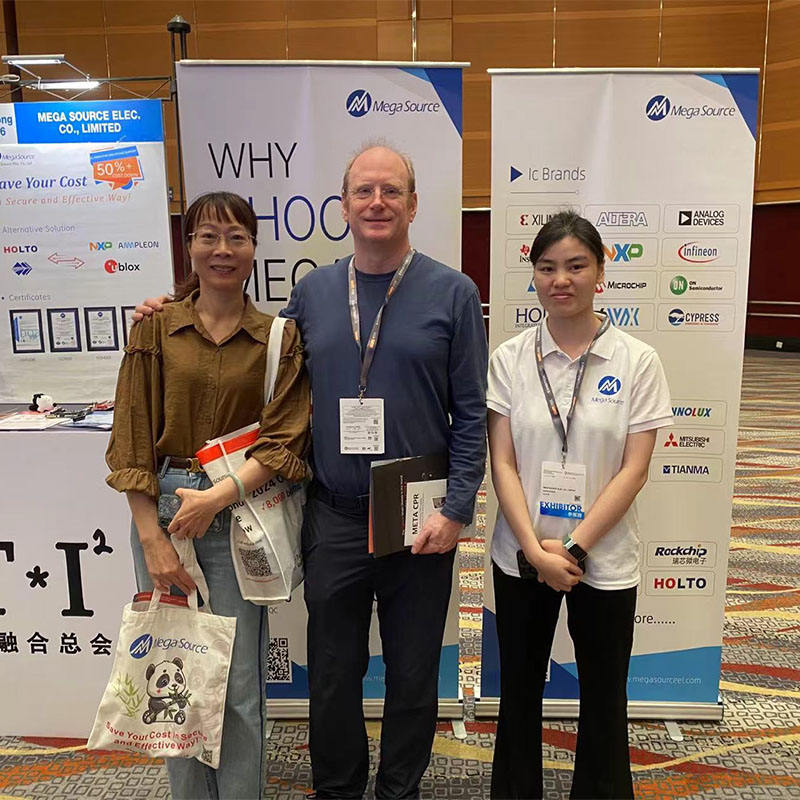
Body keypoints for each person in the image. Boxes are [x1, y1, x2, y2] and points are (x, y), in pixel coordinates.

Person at [135, 144, 488, 799]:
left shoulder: (454, 292)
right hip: (336, 514)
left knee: (414, 674)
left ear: (413, 204)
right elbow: (246, 355)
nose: (377, 202)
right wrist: (170, 309)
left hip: (420, 516)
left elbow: (471, 412)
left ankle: (400, 791)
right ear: (344, 206)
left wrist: (457, 508)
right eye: (363, 191)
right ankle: (338, 790)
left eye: (391, 191)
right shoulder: (315, 293)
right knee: (331, 674)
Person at [107, 190, 310, 800]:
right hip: (166, 511)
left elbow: (284, 438)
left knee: (238, 681)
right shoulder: (155, 329)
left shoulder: (277, 337)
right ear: (189, 245)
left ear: (254, 248)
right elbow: (132, 439)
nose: (223, 249)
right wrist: (153, 537)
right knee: (175, 671)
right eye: (208, 236)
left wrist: (215, 498)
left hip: (240, 511)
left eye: (236, 237)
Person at [486, 211, 672, 799]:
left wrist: (572, 547)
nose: (560, 280)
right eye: (547, 268)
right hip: (522, 555)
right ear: (534, 276)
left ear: (600, 272)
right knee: (518, 693)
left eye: (575, 266)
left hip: (604, 558)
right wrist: (535, 552)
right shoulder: (509, 358)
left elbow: (634, 469)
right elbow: (503, 463)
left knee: (604, 698)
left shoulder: (637, 361)